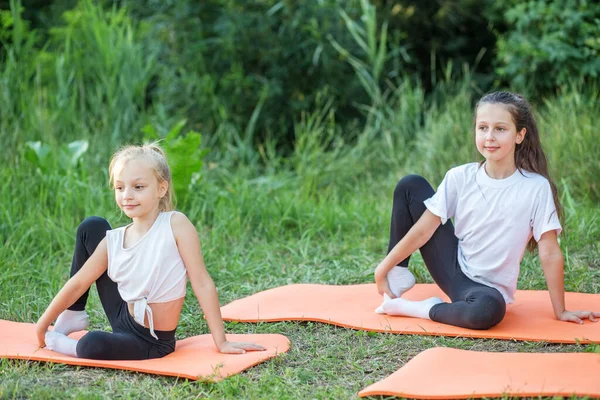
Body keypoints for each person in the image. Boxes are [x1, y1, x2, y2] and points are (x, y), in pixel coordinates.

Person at [374, 91, 599, 329]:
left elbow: (550, 252)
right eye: (482, 128)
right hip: (452, 267)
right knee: (410, 185)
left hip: (486, 291)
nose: (489, 137)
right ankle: (399, 273)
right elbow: (423, 230)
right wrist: (384, 266)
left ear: (520, 135)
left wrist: (561, 310)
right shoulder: (460, 176)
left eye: (500, 129)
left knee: (487, 311)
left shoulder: (535, 187)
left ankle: (420, 308)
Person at [36, 143, 266, 359]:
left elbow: (202, 282)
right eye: (120, 187)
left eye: (138, 187)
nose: (127, 195)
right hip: (122, 316)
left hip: (151, 341)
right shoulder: (114, 240)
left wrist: (222, 342)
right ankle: (74, 315)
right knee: (92, 226)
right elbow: (78, 282)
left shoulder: (176, 225)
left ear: (161, 188)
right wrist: (44, 322)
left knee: (91, 343)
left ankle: (64, 345)